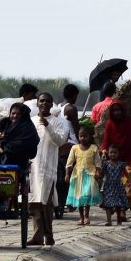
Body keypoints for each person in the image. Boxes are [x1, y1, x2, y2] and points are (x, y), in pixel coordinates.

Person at [28, 93, 70, 245]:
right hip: (32, 166)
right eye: (41, 101)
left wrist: (48, 126)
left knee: (46, 202)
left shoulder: (59, 122)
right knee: (34, 201)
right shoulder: (31, 121)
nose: (44, 103)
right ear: (37, 103)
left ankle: (48, 234)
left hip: (48, 168)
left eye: (47, 101)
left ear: (52, 104)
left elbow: (60, 141)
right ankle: (37, 235)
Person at [0, 102, 39, 215]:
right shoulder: (6, 123)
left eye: (18, 114)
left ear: (23, 115)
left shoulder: (28, 128)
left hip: (18, 159)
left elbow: (22, 145)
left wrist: (3, 147)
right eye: (13, 113)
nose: (15, 116)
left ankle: (5, 200)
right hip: (3, 156)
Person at [65, 125, 102, 226]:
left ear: (89, 137)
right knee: (80, 197)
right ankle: (81, 217)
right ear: (78, 137)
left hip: (90, 175)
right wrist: (67, 174)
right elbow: (69, 162)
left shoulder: (94, 148)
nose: (83, 138)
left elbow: (98, 162)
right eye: (81, 136)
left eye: (85, 136)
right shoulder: (75, 148)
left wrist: (98, 171)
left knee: (87, 196)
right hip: (78, 176)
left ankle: (87, 216)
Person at [55, 84, 81, 218]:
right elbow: (76, 129)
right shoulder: (71, 108)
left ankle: (62, 203)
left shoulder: (58, 107)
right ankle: (68, 203)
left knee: (62, 176)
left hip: (61, 145)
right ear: (73, 95)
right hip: (72, 144)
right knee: (71, 176)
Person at [99, 144, 129, 225]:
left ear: (118, 153)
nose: (113, 154)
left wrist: (129, 181)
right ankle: (109, 221)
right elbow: (101, 174)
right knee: (107, 204)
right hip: (108, 186)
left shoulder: (121, 164)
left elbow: (126, 174)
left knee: (118, 204)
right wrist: (97, 174)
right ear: (108, 153)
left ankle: (118, 219)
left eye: (115, 152)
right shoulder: (105, 164)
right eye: (111, 152)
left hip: (118, 186)